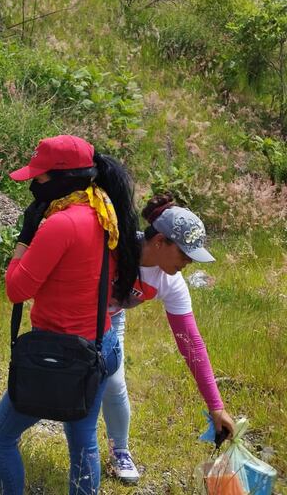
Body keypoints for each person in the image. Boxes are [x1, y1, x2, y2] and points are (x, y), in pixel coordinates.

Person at [0, 134, 141, 495]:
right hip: (101, 346)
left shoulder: (61, 224)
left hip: (63, 358)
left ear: (62, 179)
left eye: (39, 178)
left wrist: (24, 239)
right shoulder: (104, 211)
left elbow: (16, 289)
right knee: (83, 439)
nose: (34, 184)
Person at [102, 194, 235, 483]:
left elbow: (192, 345)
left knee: (113, 382)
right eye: (185, 254)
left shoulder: (170, 281)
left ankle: (120, 450)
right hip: (75, 312)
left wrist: (217, 407)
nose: (188, 262)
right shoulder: (114, 246)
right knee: (69, 379)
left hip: (111, 318)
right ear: (160, 241)